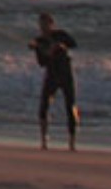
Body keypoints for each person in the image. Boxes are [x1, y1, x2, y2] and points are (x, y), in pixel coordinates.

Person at [30, 11, 79, 150]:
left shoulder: (60, 34)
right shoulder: (39, 41)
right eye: (41, 24)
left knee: (70, 105)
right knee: (43, 106)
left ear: (52, 24)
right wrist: (43, 51)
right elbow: (42, 63)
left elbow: (73, 43)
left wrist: (60, 46)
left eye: (46, 24)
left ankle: (72, 141)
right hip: (51, 74)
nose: (44, 27)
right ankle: (44, 140)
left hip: (65, 74)